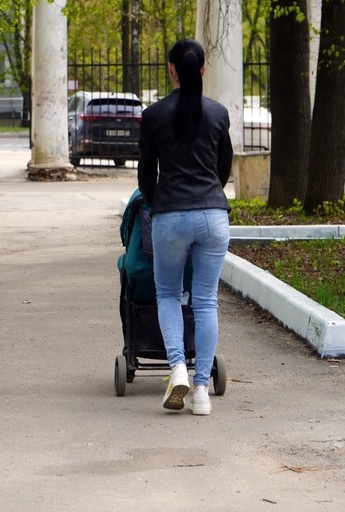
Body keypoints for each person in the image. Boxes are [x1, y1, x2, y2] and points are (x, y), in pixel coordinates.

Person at [137, 38, 233, 415]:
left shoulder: (154, 115)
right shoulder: (218, 113)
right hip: (213, 214)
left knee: (167, 294)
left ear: (170, 69)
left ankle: (177, 367)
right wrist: (208, 196)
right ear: (203, 70)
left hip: (170, 215)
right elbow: (223, 169)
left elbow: (146, 174)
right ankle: (202, 389)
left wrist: (155, 202)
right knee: (205, 300)